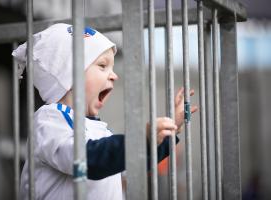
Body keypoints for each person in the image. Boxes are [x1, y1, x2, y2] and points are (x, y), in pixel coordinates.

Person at [12, 23, 197, 200]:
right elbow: (88, 160)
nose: (114, 75)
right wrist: (140, 138)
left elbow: (130, 163)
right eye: (102, 66)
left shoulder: (98, 128)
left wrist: (167, 133)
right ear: (69, 75)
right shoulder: (50, 119)